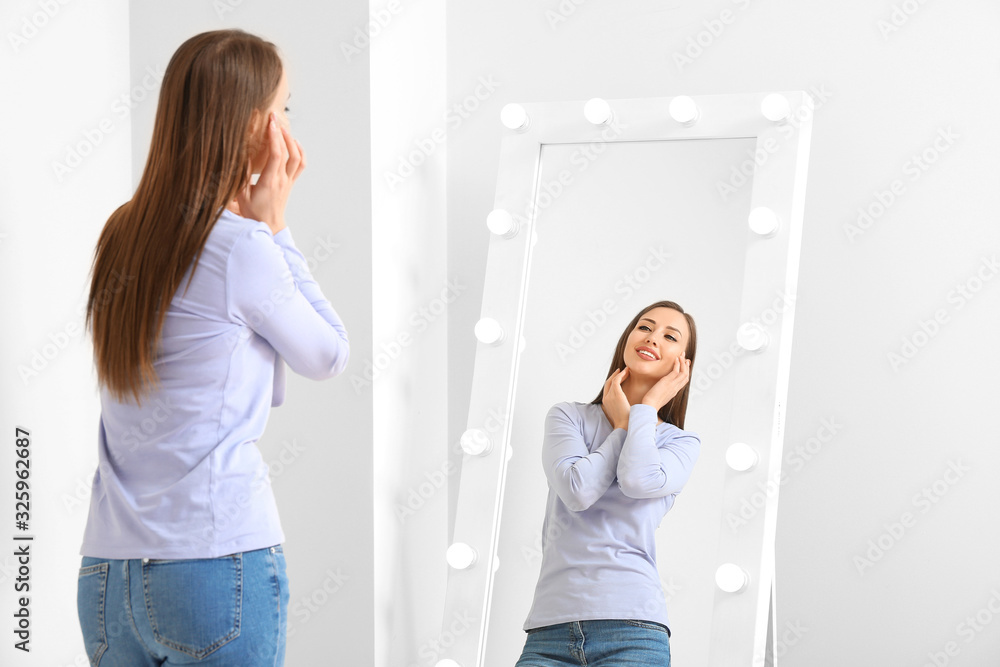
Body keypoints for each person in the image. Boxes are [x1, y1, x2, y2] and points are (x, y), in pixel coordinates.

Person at [76, 29, 348, 666]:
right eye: (284, 108)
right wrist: (275, 228)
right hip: (210, 566)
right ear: (255, 125)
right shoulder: (242, 247)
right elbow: (328, 355)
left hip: (106, 576)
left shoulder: (122, 231)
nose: (287, 123)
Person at [514, 301, 699, 667]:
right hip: (549, 630)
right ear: (628, 337)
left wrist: (643, 411)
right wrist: (621, 427)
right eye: (645, 327)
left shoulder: (680, 442)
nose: (652, 338)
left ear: (683, 364)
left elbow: (636, 479)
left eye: (670, 336)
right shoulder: (568, 416)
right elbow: (578, 491)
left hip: (633, 630)